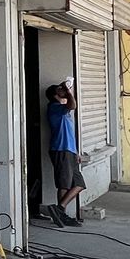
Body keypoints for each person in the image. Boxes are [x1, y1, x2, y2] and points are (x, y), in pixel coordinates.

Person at [44, 82, 84, 227]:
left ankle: (59, 209)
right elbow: (73, 105)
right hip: (61, 149)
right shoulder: (54, 107)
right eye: (60, 90)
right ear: (55, 95)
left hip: (70, 150)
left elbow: (70, 134)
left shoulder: (63, 110)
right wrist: (68, 91)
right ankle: (61, 214)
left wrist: (76, 152)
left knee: (79, 184)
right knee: (64, 184)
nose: (64, 92)